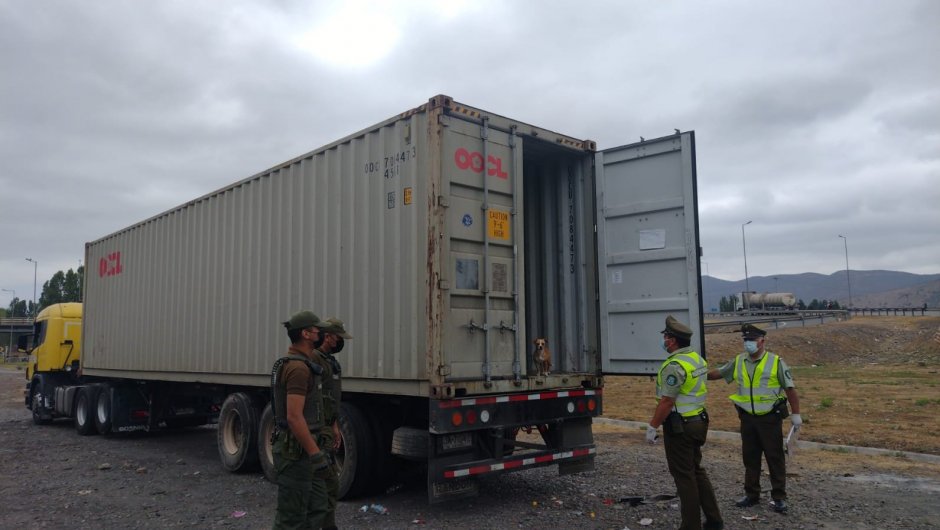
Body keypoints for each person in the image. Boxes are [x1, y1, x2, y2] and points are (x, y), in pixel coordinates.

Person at [707, 323, 802, 514]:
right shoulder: (740, 361)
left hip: (769, 419)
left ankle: (779, 498)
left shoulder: (775, 362)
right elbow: (721, 372)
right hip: (747, 419)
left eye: (751, 340)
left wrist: (796, 414)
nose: (748, 343)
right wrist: (699, 374)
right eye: (746, 340)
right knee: (750, 458)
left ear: (762, 341)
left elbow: (790, 389)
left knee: (774, 458)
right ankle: (752, 495)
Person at [646, 315, 723, 530]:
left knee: (684, 476)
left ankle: (691, 526)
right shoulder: (696, 359)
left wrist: (652, 426)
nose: (663, 340)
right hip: (699, 422)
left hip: (680, 426)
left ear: (672, 341)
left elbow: (667, 401)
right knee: (696, 470)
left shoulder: (674, 365)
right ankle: (715, 520)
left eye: (665, 336)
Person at [271, 310, 331, 529]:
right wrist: (316, 455)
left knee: (317, 508)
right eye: (318, 330)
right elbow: (294, 417)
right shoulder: (297, 369)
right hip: (296, 453)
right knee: (292, 517)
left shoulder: (303, 364)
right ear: (306, 334)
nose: (322, 335)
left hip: (305, 449)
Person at [311, 317, 353, 530]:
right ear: (328, 337)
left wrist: (335, 426)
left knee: (330, 484)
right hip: (317, 429)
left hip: (328, 426)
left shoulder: (329, 361)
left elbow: (331, 399)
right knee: (323, 482)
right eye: (338, 337)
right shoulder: (315, 360)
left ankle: (328, 524)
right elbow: (313, 398)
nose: (340, 342)